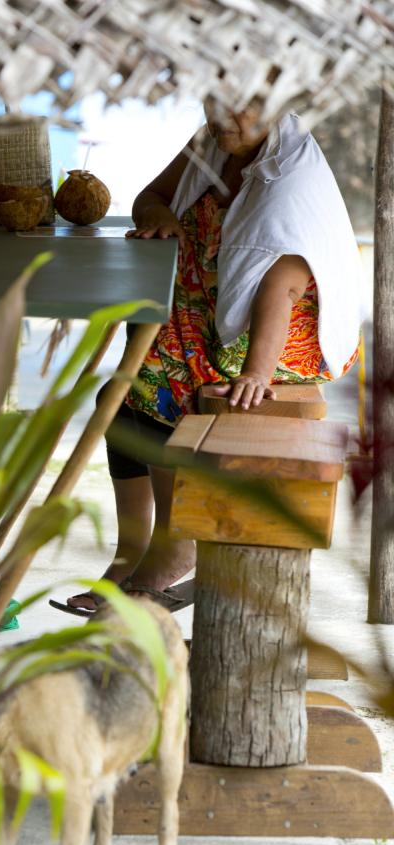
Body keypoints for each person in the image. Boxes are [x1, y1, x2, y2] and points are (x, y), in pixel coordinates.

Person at [52, 100, 363, 617]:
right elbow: (151, 195)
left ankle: (175, 544)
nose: (222, 120)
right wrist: (159, 218)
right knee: (119, 388)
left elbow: (282, 287)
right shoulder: (212, 145)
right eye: (213, 105)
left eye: (238, 110)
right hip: (213, 304)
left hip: (278, 335)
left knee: (149, 381)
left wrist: (258, 373)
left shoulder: (287, 180)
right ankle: (132, 553)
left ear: (277, 104)